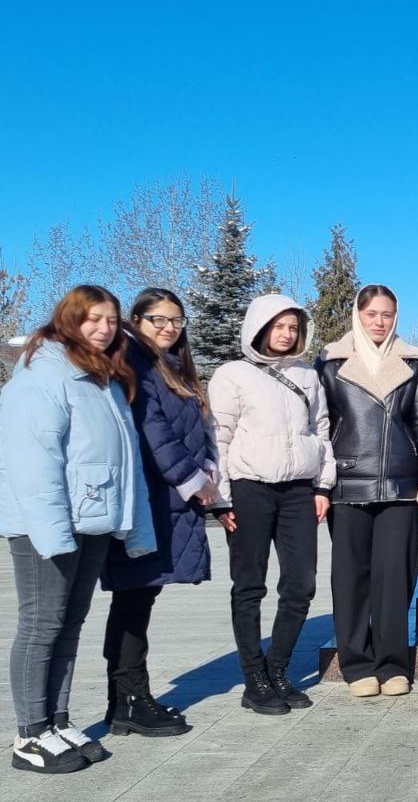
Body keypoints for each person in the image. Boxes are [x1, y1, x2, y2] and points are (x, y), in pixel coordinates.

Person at [0, 285, 156, 774]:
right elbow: (33, 459)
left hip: (89, 520)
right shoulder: (43, 373)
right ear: (68, 318)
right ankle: (29, 736)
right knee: (41, 623)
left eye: (111, 320)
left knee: (68, 624)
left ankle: (56, 720)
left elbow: (120, 458)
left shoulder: (102, 375)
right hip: (44, 522)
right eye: (92, 318)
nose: (104, 328)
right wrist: (51, 532)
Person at [207, 293, 335, 716]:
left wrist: (322, 486)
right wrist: (220, 498)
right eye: (278, 326)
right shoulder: (233, 375)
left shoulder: (307, 376)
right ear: (259, 327)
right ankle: (254, 678)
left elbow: (321, 430)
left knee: (301, 584)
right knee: (250, 585)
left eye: (293, 327)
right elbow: (218, 437)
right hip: (249, 489)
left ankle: (278, 669)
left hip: (299, 489)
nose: (286, 334)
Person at [316, 285, 418, 697]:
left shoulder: (413, 363)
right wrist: (318, 483)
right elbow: (320, 428)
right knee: (351, 578)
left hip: (400, 487)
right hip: (347, 484)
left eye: (387, 314)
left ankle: (392, 665)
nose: (379, 321)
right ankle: (357, 666)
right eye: (372, 313)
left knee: (395, 579)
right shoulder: (331, 363)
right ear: (358, 315)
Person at [100, 288, 218, 736]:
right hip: (148, 502)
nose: (169, 328)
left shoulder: (169, 366)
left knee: (138, 599)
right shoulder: (135, 362)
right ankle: (130, 699)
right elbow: (155, 432)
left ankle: (125, 703)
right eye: (158, 320)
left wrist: (206, 466)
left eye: (176, 320)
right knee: (133, 600)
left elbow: (193, 427)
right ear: (136, 320)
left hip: (166, 502)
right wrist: (192, 479)